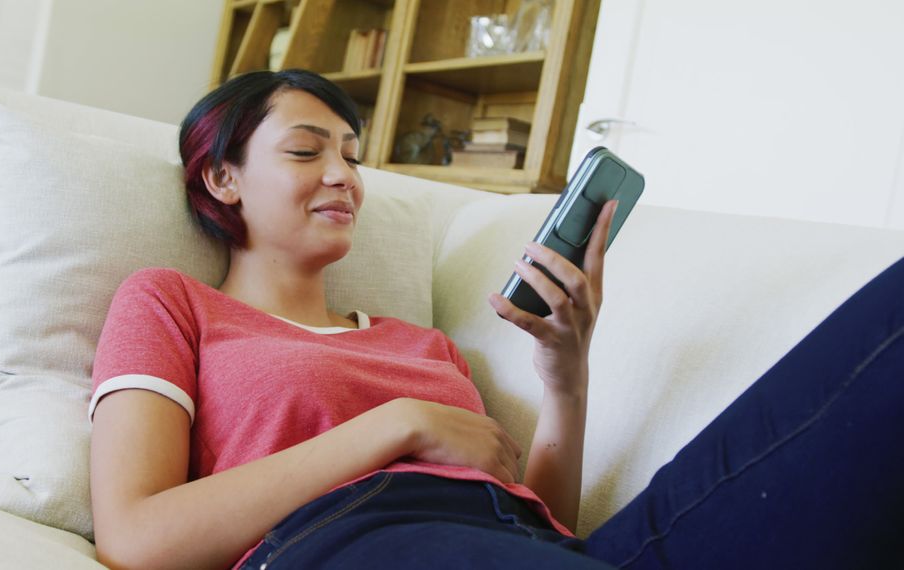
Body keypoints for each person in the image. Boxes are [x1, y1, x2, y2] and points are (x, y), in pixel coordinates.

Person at [87, 69, 903, 570]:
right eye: (306, 152)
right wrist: (401, 426)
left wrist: (567, 378)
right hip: (341, 545)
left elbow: (537, 514)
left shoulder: (422, 344)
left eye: (352, 154)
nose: (342, 174)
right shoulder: (173, 302)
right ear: (222, 178)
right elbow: (137, 538)